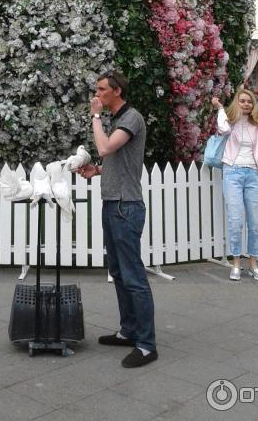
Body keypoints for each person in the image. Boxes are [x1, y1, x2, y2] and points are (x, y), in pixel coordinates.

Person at [76, 72, 157, 368]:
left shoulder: (131, 117)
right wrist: (97, 171)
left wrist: (95, 118)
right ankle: (129, 332)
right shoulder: (118, 119)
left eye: (101, 89)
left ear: (117, 91)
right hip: (113, 203)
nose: (96, 93)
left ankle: (147, 345)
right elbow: (117, 159)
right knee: (120, 274)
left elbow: (106, 147)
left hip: (126, 206)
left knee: (134, 276)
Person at [211, 88, 258, 281]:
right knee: (235, 220)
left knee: (255, 223)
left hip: (253, 174)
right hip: (232, 172)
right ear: (237, 102)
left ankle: (253, 264)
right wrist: (220, 108)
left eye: (249, 101)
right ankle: (236, 263)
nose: (246, 104)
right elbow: (223, 129)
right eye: (242, 101)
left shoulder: (257, 124)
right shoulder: (229, 122)